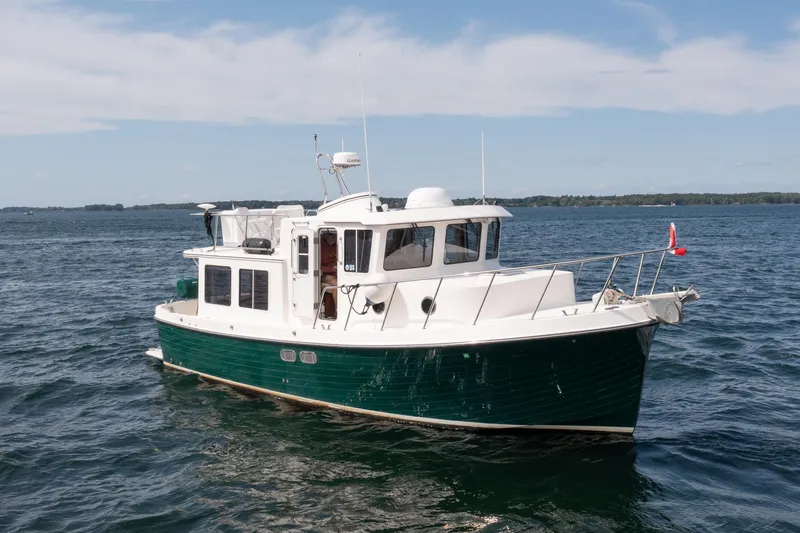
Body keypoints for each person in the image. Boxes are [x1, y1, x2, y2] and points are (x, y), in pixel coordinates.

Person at [320, 231, 338, 318]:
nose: (332, 238)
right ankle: (338, 309)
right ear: (325, 236)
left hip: (339, 273)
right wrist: (332, 269)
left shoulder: (338, 246)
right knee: (336, 283)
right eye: (330, 235)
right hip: (325, 275)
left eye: (334, 235)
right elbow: (320, 267)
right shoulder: (320, 248)